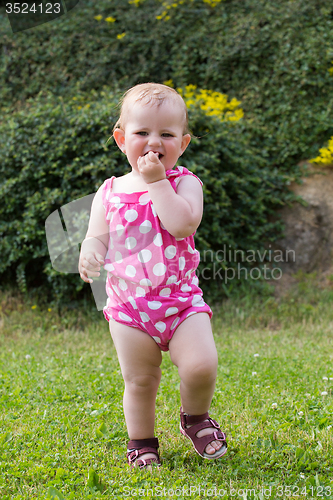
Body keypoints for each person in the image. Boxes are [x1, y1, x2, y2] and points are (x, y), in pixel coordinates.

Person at [78, 83, 227, 469]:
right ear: (121, 138)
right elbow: (97, 235)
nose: (153, 142)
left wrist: (158, 181)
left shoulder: (184, 183)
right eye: (142, 132)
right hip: (129, 307)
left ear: (184, 142)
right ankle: (142, 443)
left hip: (180, 302)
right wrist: (90, 253)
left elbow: (181, 224)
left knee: (201, 364)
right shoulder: (109, 191)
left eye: (166, 134)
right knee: (140, 381)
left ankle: (195, 418)